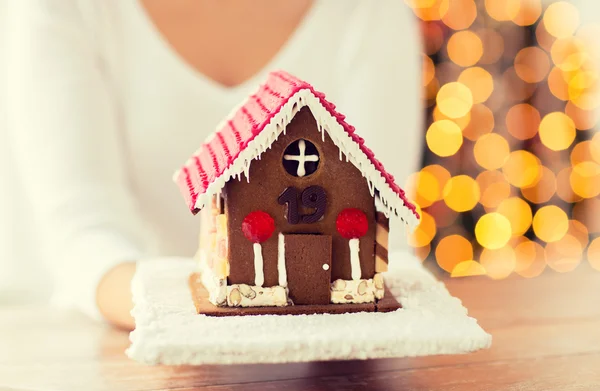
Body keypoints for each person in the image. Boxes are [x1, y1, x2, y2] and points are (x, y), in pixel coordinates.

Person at [6, 0, 422, 330]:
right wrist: (200, 314)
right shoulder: (64, 7)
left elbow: (378, 222)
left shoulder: (370, 11)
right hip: (127, 339)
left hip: (329, 357)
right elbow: (83, 232)